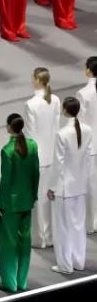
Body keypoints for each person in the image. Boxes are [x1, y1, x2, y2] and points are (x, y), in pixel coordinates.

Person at [48, 97, 94, 273]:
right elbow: (88, 158)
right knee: (78, 226)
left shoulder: (62, 134)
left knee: (63, 228)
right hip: (80, 185)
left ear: (65, 110)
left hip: (64, 187)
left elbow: (58, 164)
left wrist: (52, 187)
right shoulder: (88, 130)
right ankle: (78, 261)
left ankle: (65, 265)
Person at [0, 114, 40, 292]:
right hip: (27, 200)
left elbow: (6, 181)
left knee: (9, 243)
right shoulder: (32, 145)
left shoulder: (7, 151)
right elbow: (36, 173)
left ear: (9, 128)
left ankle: (10, 282)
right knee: (24, 242)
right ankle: (22, 281)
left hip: (11, 204)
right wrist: (34, 195)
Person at [24, 67, 61, 247]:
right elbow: (56, 126)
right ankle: (51, 235)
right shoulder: (55, 99)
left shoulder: (31, 104)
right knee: (50, 196)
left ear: (37, 80)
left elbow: (30, 136)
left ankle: (40, 238)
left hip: (38, 157)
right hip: (52, 153)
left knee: (38, 198)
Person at [77, 57, 97, 232]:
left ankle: (91, 223)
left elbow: (81, 123)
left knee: (90, 184)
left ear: (89, 70)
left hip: (91, 145)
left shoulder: (84, 93)